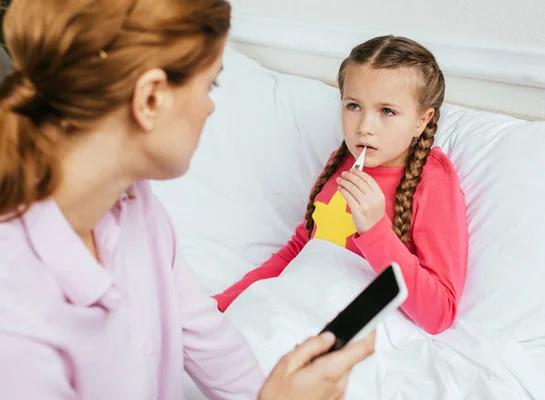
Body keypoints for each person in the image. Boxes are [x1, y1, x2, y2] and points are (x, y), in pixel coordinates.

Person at [0, 0, 374, 399]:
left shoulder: (135, 203)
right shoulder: (16, 320)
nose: (211, 106)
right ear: (150, 99)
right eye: (209, 85)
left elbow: (203, 335)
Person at [215, 36, 469, 335]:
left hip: (361, 332)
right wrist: (221, 306)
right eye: (353, 106)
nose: (364, 126)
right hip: (295, 311)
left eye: (387, 111)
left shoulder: (432, 181)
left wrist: (375, 231)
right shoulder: (342, 162)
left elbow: (439, 313)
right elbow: (301, 248)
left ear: (421, 121)